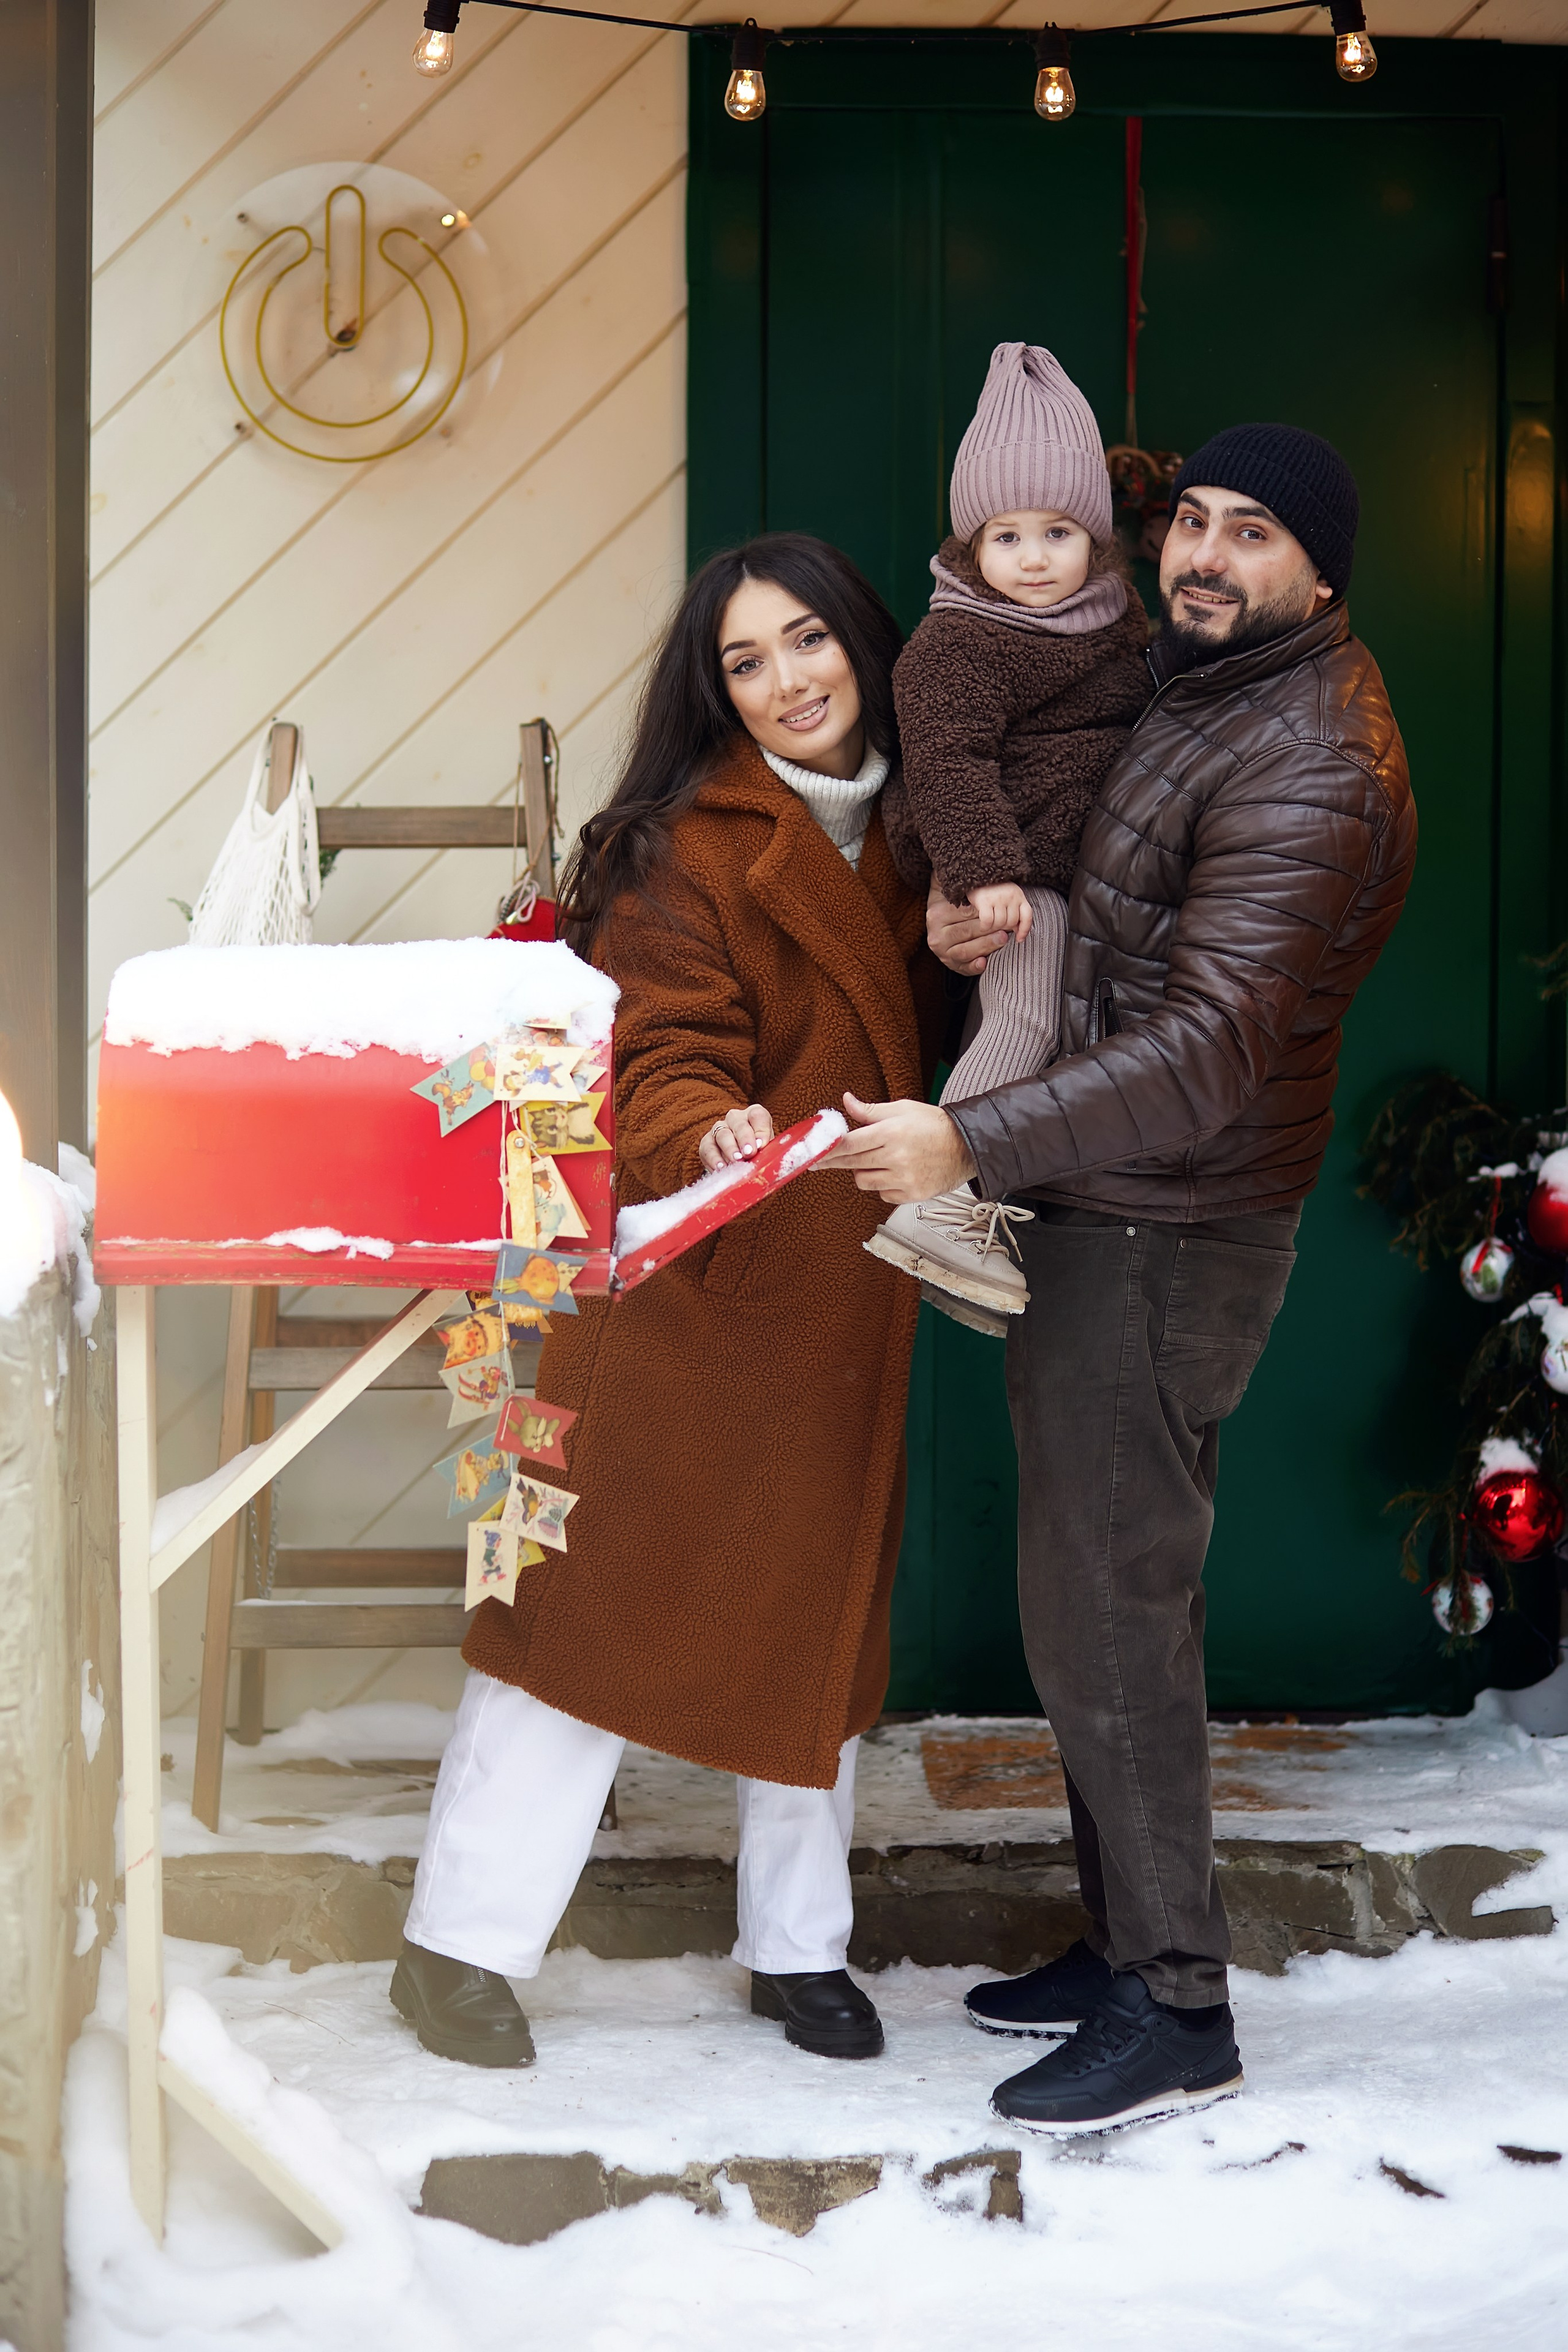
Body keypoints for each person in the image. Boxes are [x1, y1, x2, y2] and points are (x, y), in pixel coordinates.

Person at [829, 424, 1417, 2133]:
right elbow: (1117, 923)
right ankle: (1118, 1944)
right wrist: (976, 930)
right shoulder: (1204, 688)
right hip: (1124, 1198)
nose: (1206, 555)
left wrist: (979, 1138)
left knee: (1105, 1607)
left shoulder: (1312, 753)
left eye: (1256, 534)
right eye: (1196, 524)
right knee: (1108, 1594)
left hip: (1170, 1219)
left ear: (1324, 570)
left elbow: (1213, 1043)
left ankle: (1176, 2005)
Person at [390, 533, 944, 2071]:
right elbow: (655, 1044)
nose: (785, 683)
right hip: (693, 1282)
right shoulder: (678, 844)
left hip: (846, 1294)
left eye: (808, 641)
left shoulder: (933, 828)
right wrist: (701, 1122)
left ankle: (798, 1949)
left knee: (814, 1632)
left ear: (862, 642)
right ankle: (455, 1948)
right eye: (744, 663)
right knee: (579, 1625)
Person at [870, 342, 1150, 1330]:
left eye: (1059, 532)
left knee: (1057, 1041)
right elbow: (945, 762)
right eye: (1006, 535)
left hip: (1081, 882)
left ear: (1098, 542)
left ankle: (967, 1211)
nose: (1033, 558)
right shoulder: (957, 643)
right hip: (1015, 880)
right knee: (1024, 1019)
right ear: (970, 550)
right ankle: (942, 1193)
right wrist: (984, 870)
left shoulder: (1121, 630)